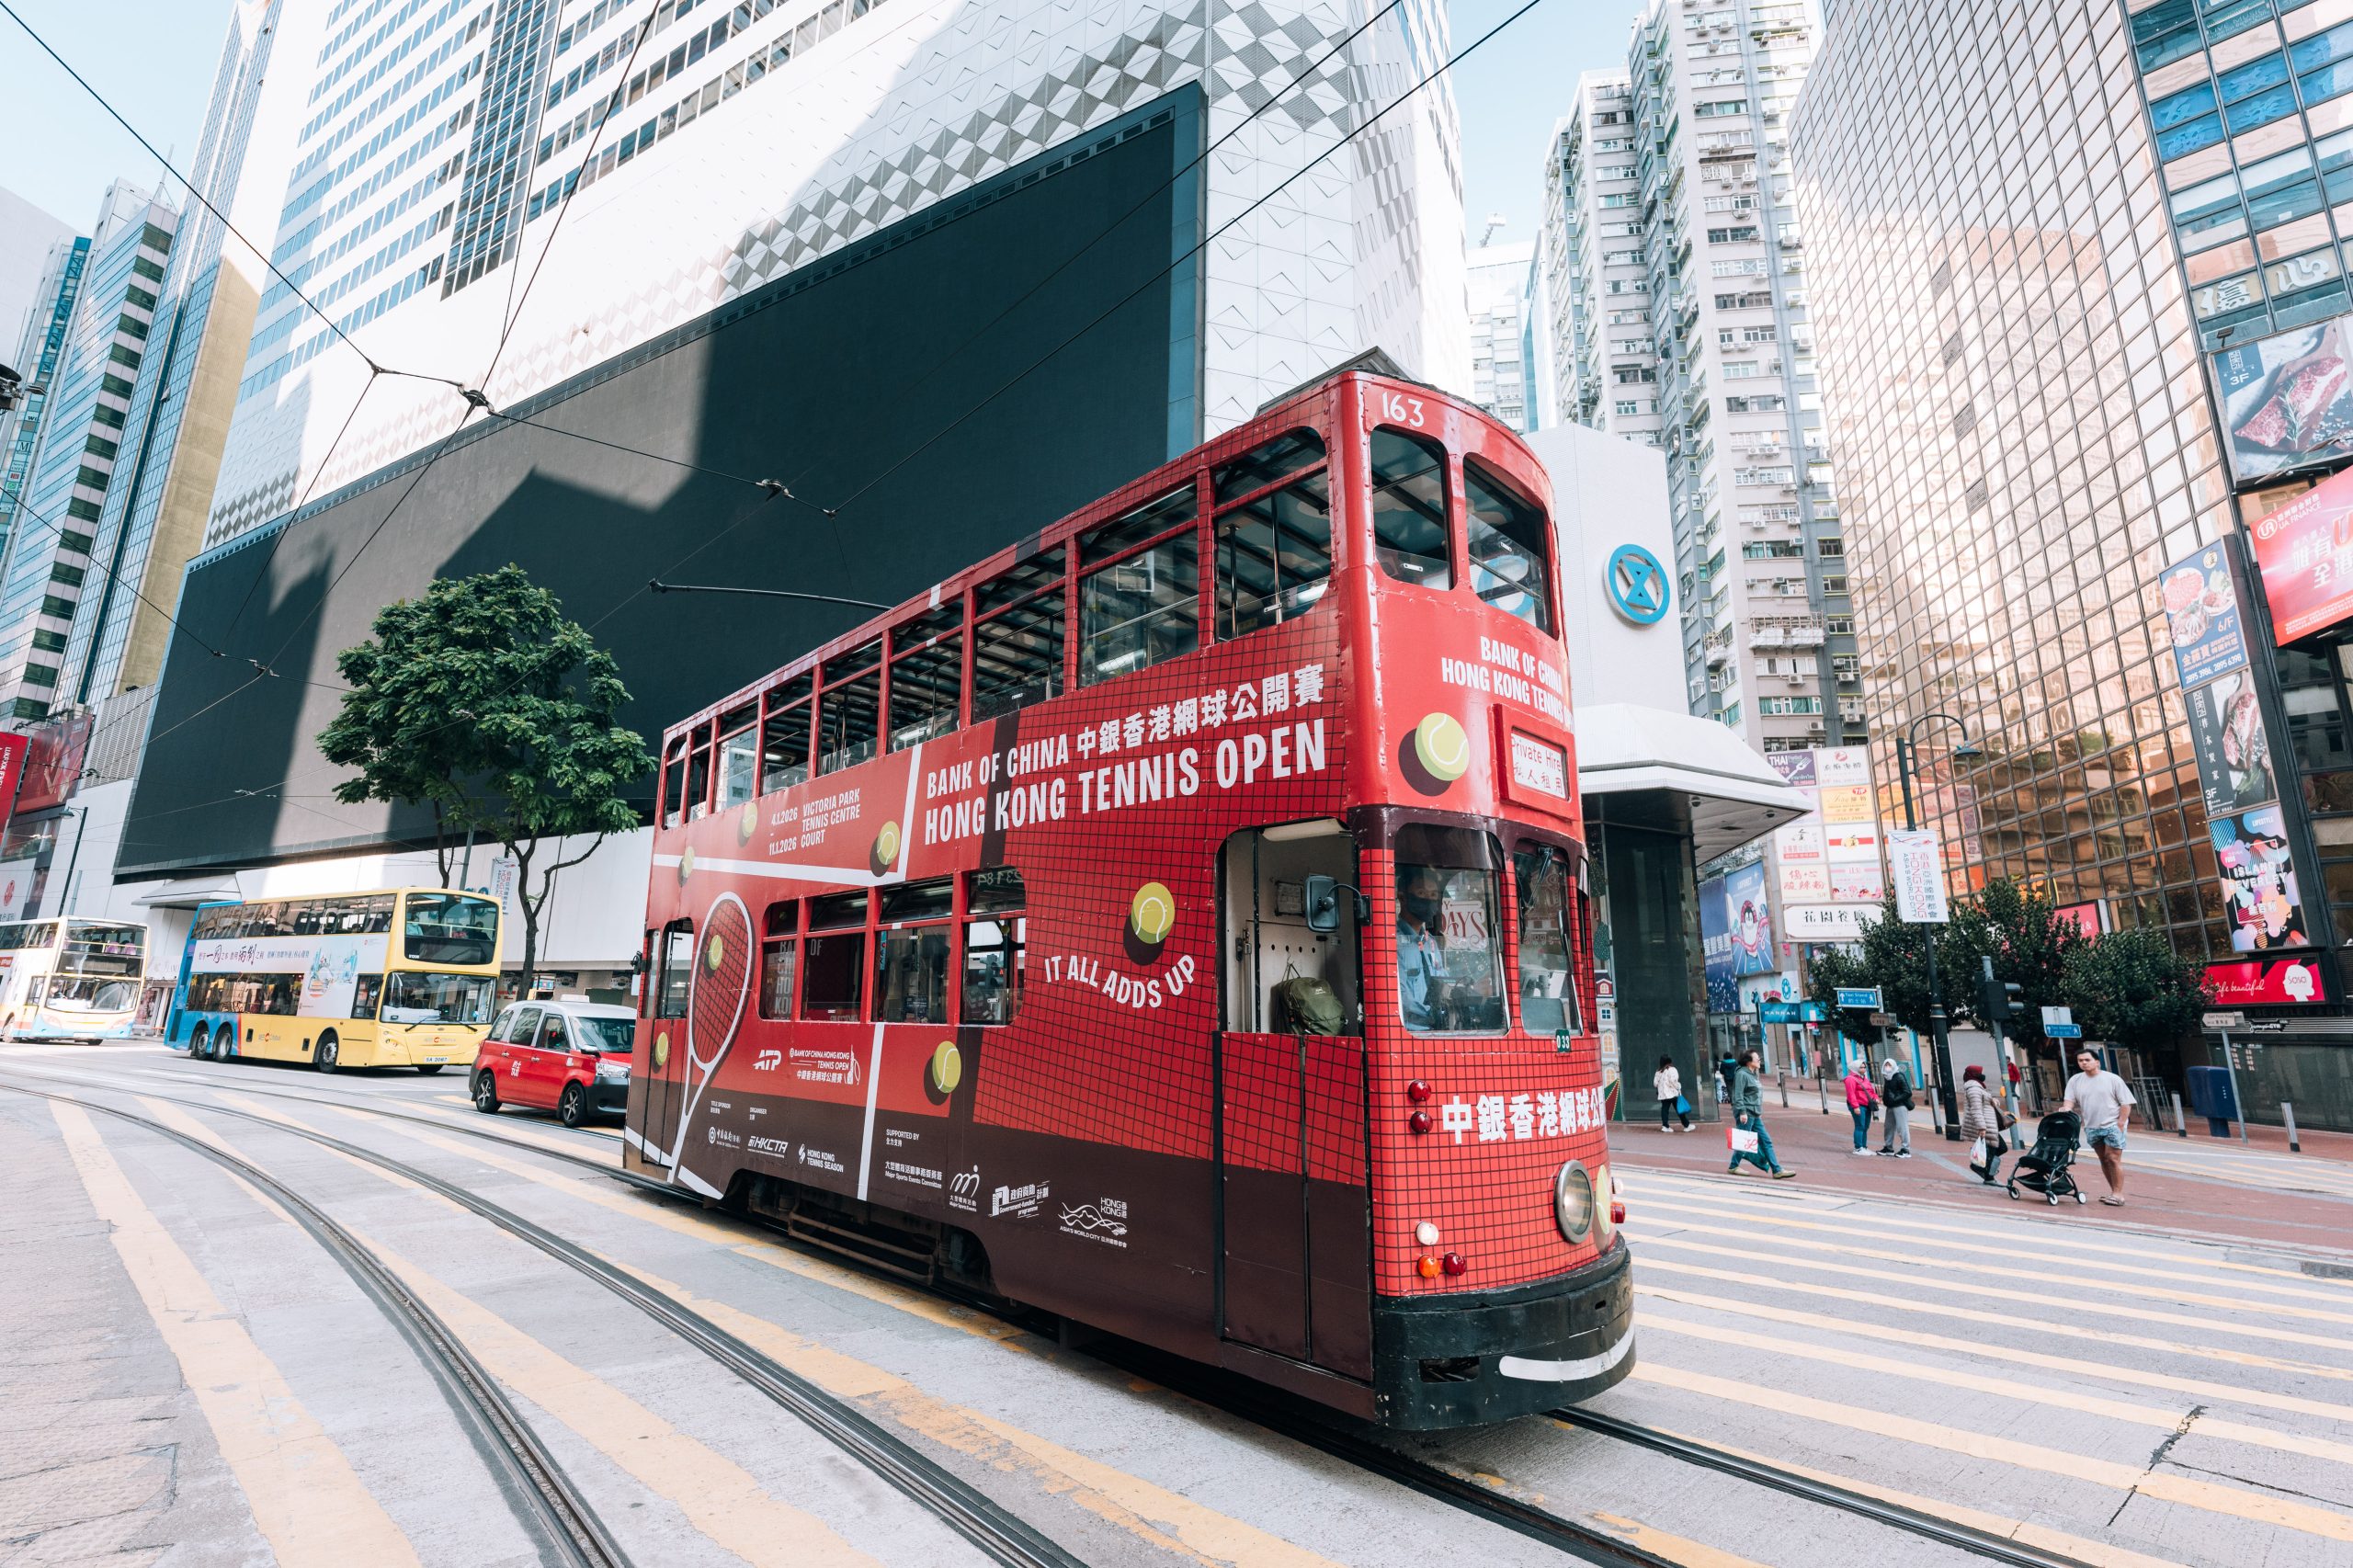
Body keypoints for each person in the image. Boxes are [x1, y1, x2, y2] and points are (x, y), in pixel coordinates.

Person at [2063, 1046, 2138, 1206]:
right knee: (2103, 1159)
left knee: (2113, 1158)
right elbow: (2069, 1100)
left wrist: (2120, 1123)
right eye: (2080, 1061)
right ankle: (2113, 1192)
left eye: (2087, 1060)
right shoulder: (2075, 1080)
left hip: (2112, 1124)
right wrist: (2066, 1109)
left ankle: (2118, 1195)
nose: (2083, 1063)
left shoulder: (2112, 1079)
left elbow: (2126, 1103)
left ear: (2097, 1062)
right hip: (2091, 1126)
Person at [1728, 1048, 1796, 1179]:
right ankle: (1733, 1166)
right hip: (1746, 1112)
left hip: (1754, 1113)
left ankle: (1777, 1170)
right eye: (1757, 1058)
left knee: (1766, 1141)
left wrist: (1758, 1112)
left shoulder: (1752, 1074)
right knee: (1744, 1141)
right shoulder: (1742, 1074)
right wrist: (1742, 1112)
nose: (1759, 1060)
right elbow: (1738, 1095)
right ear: (1748, 1061)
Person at [1395, 866, 1448, 1031]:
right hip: (1410, 1032)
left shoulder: (1430, 943)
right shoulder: (1392, 943)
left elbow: (1442, 980)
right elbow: (1401, 997)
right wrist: (1432, 1016)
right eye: (1421, 893)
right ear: (1403, 897)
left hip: (1437, 1031)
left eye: (1433, 895)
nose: (1428, 900)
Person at [1960, 1064, 2005, 1186]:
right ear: (1974, 1074)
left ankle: (1980, 1166)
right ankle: (1986, 1175)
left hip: (1989, 1124)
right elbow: (1976, 1109)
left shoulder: (1978, 1087)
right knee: (1999, 1148)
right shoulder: (1974, 1088)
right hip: (1985, 1125)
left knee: (1996, 1148)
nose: (1982, 1074)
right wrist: (1982, 1127)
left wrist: (1992, 1100)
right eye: (1979, 1072)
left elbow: (1982, 1102)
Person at [1878, 1058, 1915, 1157]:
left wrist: (1895, 1099)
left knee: (1902, 1128)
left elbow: (1907, 1092)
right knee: (1888, 1127)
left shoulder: (1899, 1076)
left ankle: (1905, 1150)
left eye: (1889, 1065)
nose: (1887, 1067)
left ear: (1894, 1066)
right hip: (1890, 1106)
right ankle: (1888, 1148)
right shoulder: (1887, 1077)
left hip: (1899, 1106)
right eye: (1886, 1065)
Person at [1842, 1062, 1880, 1155]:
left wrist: (1876, 1098)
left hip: (1867, 1105)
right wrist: (1855, 1106)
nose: (1863, 1069)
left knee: (1865, 1127)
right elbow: (1851, 1094)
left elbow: (1871, 1091)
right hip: (1859, 1106)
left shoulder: (1864, 1079)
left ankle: (1864, 1147)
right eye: (1861, 1068)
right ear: (1855, 1068)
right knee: (1860, 1126)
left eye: (1864, 1067)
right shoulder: (1850, 1079)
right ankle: (1858, 1148)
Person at [1654, 1055, 1691, 1131]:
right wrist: (1678, 1087)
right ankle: (1686, 1125)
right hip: (1672, 1093)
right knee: (1679, 1109)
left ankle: (1665, 1126)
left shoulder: (1658, 1071)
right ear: (1669, 1061)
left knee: (1664, 1110)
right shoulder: (1672, 1069)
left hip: (1663, 1094)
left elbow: (1655, 1083)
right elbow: (1673, 1081)